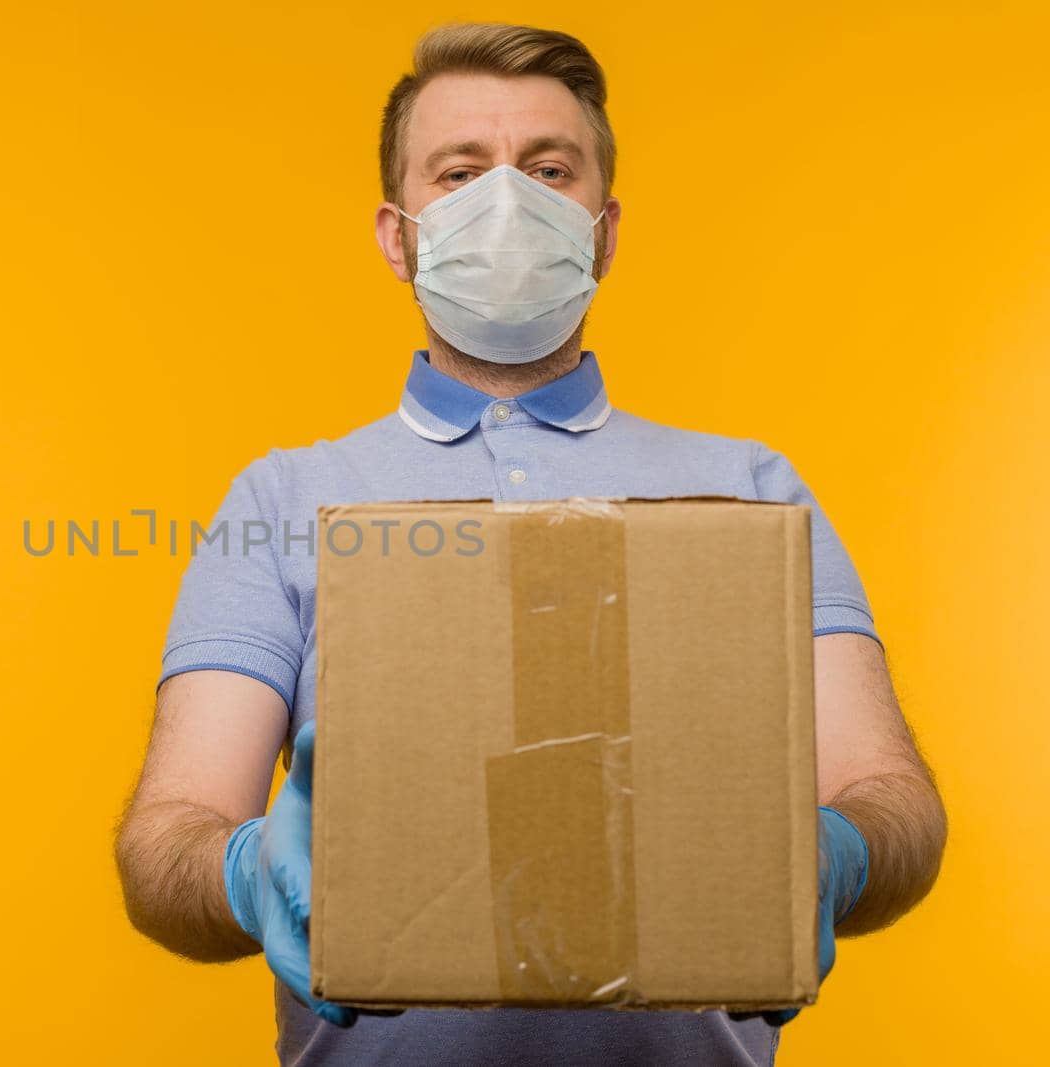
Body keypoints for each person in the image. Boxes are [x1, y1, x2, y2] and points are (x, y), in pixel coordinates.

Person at [115, 21, 947, 1067]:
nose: (503, 200)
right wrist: (242, 869)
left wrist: (838, 854)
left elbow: (891, 795)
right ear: (396, 233)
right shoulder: (285, 496)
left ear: (601, 230)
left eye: (547, 169)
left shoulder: (751, 489)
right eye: (458, 173)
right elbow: (167, 840)